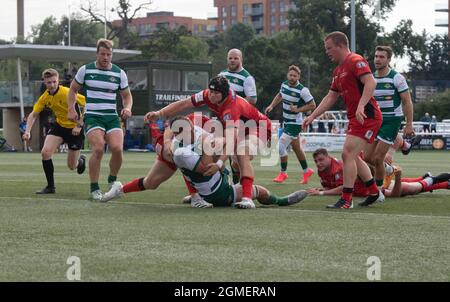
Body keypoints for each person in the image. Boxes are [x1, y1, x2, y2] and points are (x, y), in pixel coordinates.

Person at [103, 115, 307, 208]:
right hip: (216, 190)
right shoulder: (180, 150)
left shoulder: (198, 126)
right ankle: (277, 200)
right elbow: (202, 166)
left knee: (234, 150)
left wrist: (220, 162)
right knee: (151, 182)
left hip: (213, 175)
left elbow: (223, 142)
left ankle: (205, 193)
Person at [144, 75, 272, 209]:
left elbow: (230, 140)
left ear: (225, 93)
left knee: (241, 152)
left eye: (216, 93)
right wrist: (159, 113)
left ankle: (247, 198)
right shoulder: (207, 94)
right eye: (211, 91)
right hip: (239, 127)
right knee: (215, 150)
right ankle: (217, 191)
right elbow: (184, 104)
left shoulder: (231, 108)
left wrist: (219, 163)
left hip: (259, 127)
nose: (211, 95)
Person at [302, 31, 383, 209]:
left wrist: (361, 105)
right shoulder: (338, 71)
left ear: (341, 45)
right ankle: (374, 192)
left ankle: (346, 199)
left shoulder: (355, 60)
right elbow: (330, 97)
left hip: (367, 116)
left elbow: (371, 83)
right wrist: (312, 116)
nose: (327, 52)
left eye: (329, 48)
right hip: (356, 118)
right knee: (355, 157)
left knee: (347, 155)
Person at [101, 113, 213, 207]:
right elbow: (169, 127)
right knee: (184, 158)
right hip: (168, 148)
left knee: (151, 183)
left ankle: (119, 189)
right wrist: (167, 143)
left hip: (178, 150)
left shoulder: (210, 129)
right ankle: (195, 196)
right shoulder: (195, 119)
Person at [67, 39, 133, 201]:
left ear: (112, 55)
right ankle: (94, 188)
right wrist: (71, 108)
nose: (105, 57)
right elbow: (73, 90)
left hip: (111, 117)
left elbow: (126, 96)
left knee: (117, 148)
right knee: (98, 148)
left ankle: (112, 180)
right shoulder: (85, 70)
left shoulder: (119, 73)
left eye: (108, 55)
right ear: (97, 54)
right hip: (92, 116)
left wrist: (128, 108)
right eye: (102, 54)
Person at [22, 68, 86, 194]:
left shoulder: (67, 92)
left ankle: (80, 161)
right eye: (48, 82)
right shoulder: (45, 97)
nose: (51, 85)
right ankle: (50, 187)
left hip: (75, 129)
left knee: (72, 166)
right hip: (59, 126)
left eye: (54, 82)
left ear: (58, 81)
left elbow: (88, 104)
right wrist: (27, 131)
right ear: (44, 82)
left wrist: (79, 125)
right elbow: (33, 114)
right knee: (45, 153)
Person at [363, 45, 415, 191]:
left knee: (378, 158)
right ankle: (389, 170)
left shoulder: (397, 78)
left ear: (389, 59)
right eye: (376, 56)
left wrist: (409, 124)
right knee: (367, 158)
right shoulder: (370, 78)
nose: (378, 59)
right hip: (374, 121)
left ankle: (378, 192)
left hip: (392, 120)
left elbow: (407, 101)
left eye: (382, 57)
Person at [307, 149, 450, 198]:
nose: (318, 163)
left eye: (321, 160)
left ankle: (432, 180)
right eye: (316, 161)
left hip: (377, 184)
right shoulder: (324, 171)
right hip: (376, 182)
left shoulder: (341, 168)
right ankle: (433, 181)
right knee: (404, 187)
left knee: (408, 189)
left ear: (329, 157)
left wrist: (322, 193)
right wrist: (322, 189)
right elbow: (336, 186)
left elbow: (343, 187)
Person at [265, 65, 316, 184]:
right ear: (288, 75)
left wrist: (297, 110)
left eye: (295, 76)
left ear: (298, 76)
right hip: (287, 122)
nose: (292, 77)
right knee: (297, 148)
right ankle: (307, 170)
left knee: (280, 145)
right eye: (290, 75)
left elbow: (312, 105)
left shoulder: (303, 90)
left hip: (295, 123)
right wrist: (272, 105)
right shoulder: (284, 85)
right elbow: (279, 95)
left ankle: (283, 173)